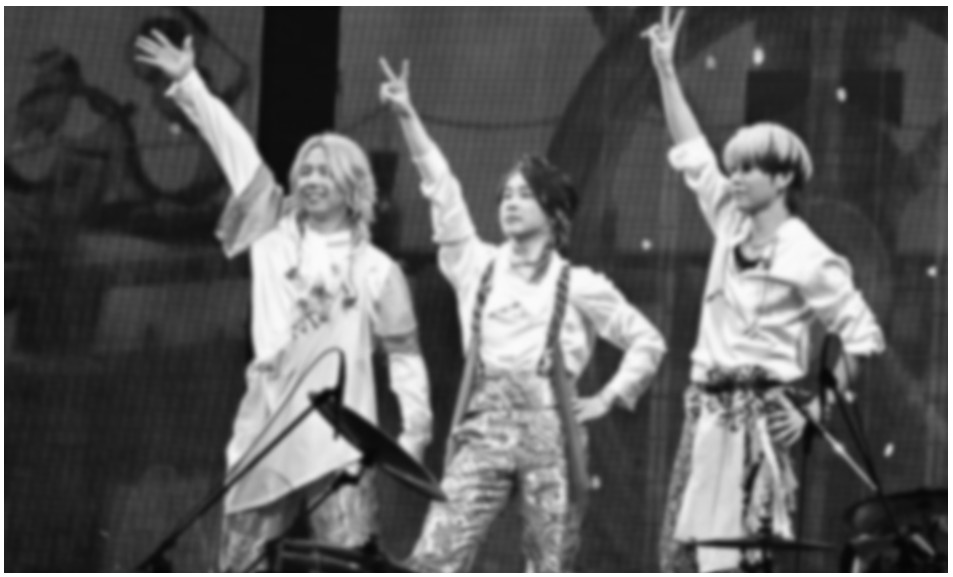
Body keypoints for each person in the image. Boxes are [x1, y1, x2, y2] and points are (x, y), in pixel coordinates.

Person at [135, 31, 432, 571]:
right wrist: (189, 82)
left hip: (341, 436)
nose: (312, 179)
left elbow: (406, 357)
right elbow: (234, 149)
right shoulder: (273, 231)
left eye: (326, 171)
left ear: (353, 186)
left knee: (349, 563)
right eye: (306, 170)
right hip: (269, 424)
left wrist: (415, 433)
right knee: (241, 564)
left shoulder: (378, 270)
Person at [379, 57, 666, 572]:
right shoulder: (476, 265)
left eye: (526, 195)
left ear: (553, 211)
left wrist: (608, 397)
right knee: (437, 553)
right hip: (483, 426)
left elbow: (648, 341)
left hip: (552, 431)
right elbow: (444, 193)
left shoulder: (580, 284)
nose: (511, 203)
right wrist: (408, 117)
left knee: (548, 561)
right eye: (506, 195)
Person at [642, 7, 886, 572]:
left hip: (760, 418)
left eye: (747, 169)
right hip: (705, 410)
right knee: (683, 556)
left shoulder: (809, 254)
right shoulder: (729, 222)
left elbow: (864, 337)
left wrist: (815, 410)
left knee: (745, 556)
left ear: (781, 179)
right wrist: (666, 71)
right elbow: (693, 152)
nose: (734, 177)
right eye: (734, 167)